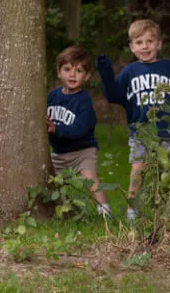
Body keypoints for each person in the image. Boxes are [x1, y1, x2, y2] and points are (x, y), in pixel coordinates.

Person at [96, 19, 170, 220]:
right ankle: (132, 209)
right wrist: (104, 69)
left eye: (150, 41)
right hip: (141, 132)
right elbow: (113, 94)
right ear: (131, 46)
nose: (145, 46)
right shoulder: (129, 72)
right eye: (139, 42)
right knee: (138, 170)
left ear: (159, 44)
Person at [46, 46, 111, 218]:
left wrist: (56, 129)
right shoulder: (52, 96)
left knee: (90, 179)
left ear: (87, 76)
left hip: (82, 152)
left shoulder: (84, 102)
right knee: (48, 181)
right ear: (59, 73)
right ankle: (62, 210)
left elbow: (80, 129)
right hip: (58, 153)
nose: (72, 75)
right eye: (67, 69)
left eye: (79, 71)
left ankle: (105, 212)